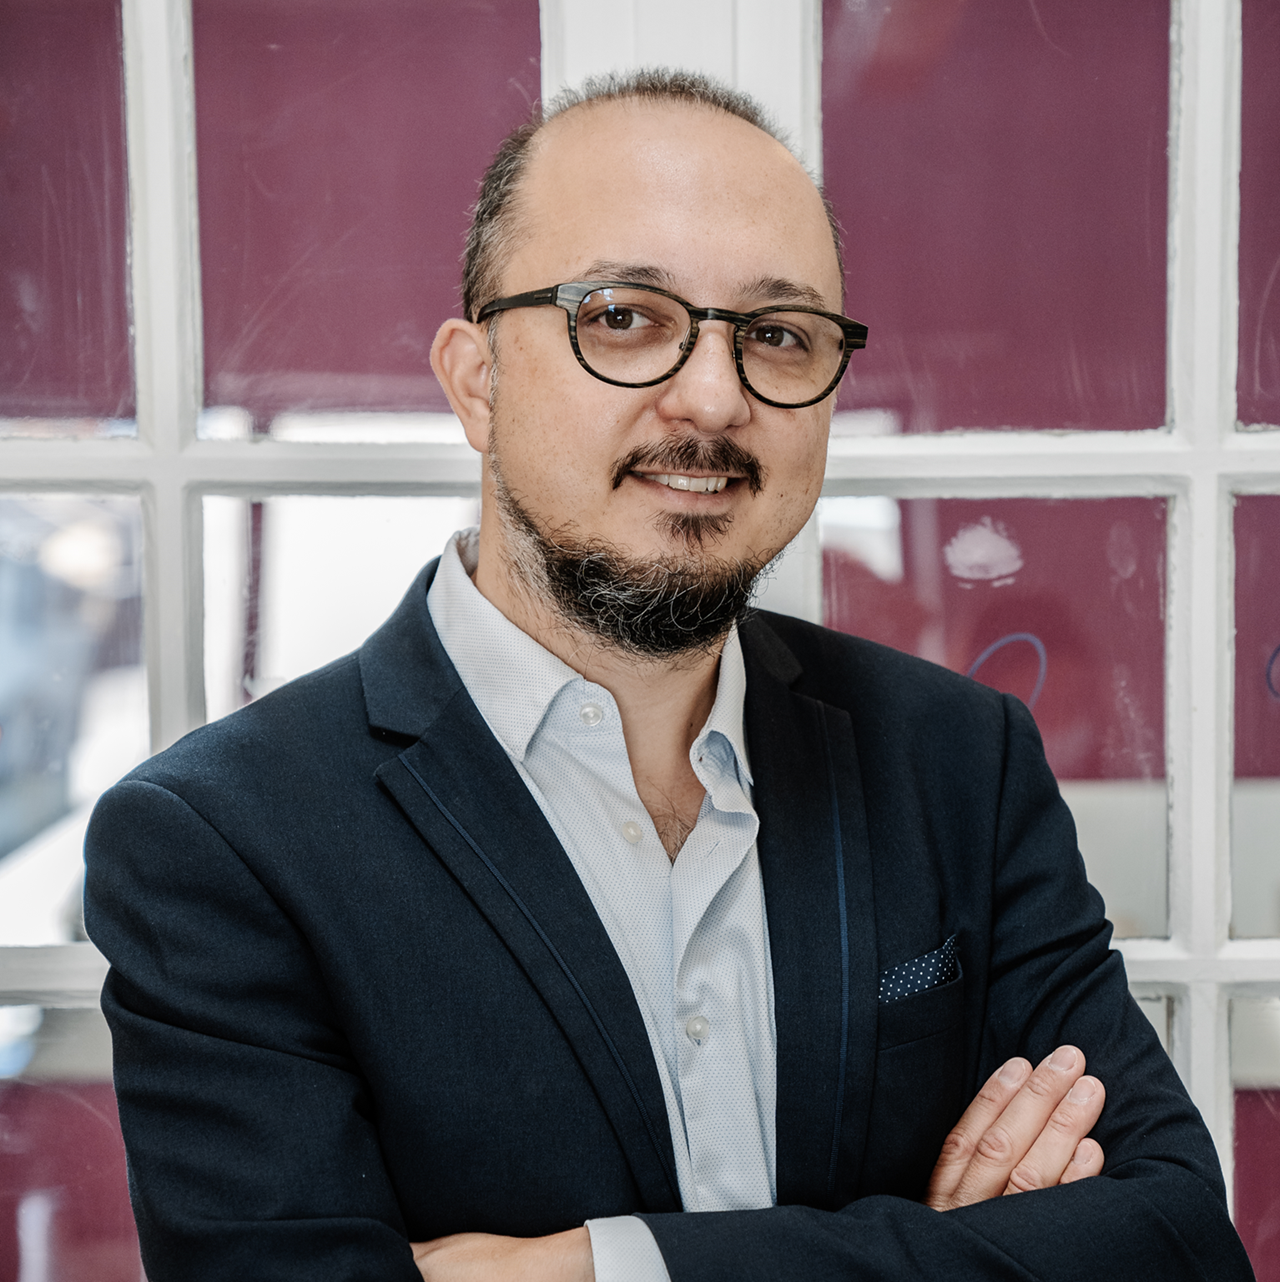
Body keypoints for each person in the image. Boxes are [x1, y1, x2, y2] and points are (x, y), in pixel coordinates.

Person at [84, 71, 1253, 1282]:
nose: (712, 396)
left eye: (778, 335)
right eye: (624, 317)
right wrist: (956, 1253)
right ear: (476, 381)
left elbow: (1173, 1242)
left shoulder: (959, 760)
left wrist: (600, 1268)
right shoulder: (220, 845)